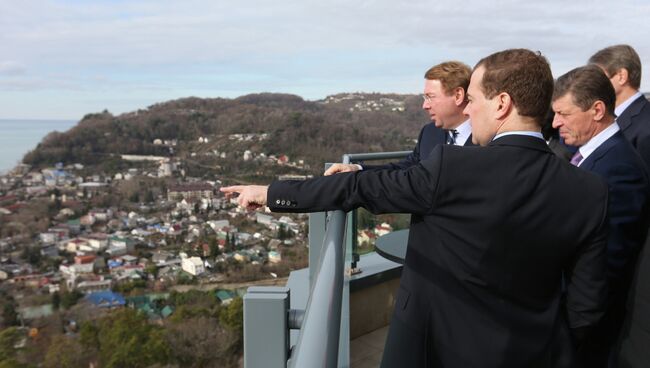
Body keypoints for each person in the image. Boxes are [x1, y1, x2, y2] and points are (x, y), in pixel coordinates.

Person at [221, 49, 609, 367]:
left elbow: (359, 186)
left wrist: (271, 193)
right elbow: (586, 306)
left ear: (502, 103)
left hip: (435, 349)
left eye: (473, 100)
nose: (470, 110)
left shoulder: (452, 167)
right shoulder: (589, 190)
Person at [551, 65, 650, 367]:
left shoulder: (620, 168)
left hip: (586, 331)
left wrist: (570, 324)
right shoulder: (588, 156)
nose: (555, 123)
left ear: (597, 110)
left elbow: (608, 263)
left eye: (564, 114)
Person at [324, 61, 473, 175]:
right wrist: (357, 169)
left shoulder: (490, 140)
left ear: (458, 95)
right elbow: (405, 169)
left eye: (430, 97)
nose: (425, 106)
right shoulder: (430, 133)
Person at [589, 44, 650, 168]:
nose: (591, 85)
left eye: (598, 77)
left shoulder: (646, 126)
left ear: (622, 76)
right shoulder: (610, 117)